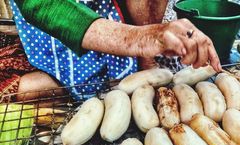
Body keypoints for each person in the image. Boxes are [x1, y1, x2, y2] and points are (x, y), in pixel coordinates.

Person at [10, 0, 222, 101]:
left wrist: (148, 44)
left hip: (116, 20)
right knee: (28, 91)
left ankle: (140, 64)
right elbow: (43, 6)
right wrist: (142, 38)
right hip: (54, 33)